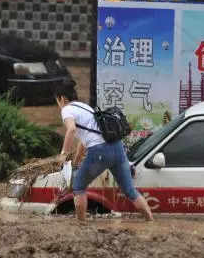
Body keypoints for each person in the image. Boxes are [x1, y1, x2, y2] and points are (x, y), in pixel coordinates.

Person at [55, 79, 154, 222]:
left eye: (57, 102)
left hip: (99, 152)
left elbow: (71, 129)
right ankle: (150, 221)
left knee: (78, 187)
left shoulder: (67, 109)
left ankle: (81, 225)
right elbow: (84, 141)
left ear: (62, 99)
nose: (58, 105)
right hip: (117, 147)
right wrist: (76, 161)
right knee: (129, 190)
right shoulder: (85, 107)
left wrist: (63, 154)